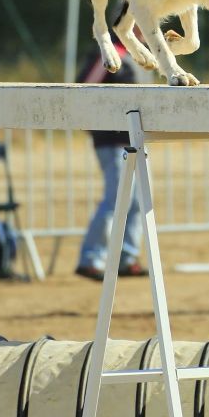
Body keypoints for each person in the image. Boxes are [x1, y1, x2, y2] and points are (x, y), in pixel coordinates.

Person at [74, 27, 149, 281]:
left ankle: (126, 258)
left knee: (137, 201)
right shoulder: (110, 52)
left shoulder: (137, 54)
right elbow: (84, 89)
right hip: (111, 140)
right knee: (117, 199)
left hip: (132, 140)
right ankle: (91, 259)